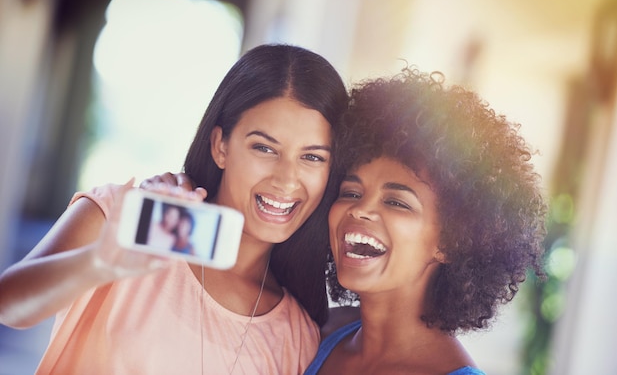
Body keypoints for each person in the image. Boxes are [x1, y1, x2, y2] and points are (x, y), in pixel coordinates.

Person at [0, 44, 349, 374]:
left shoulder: (297, 336)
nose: (287, 179)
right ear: (220, 146)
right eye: (264, 148)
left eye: (312, 157)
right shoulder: (124, 220)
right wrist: (100, 262)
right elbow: (9, 305)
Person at [305, 68, 547, 374]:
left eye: (396, 202)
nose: (360, 209)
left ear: (450, 240)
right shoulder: (318, 333)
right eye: (351, 192)